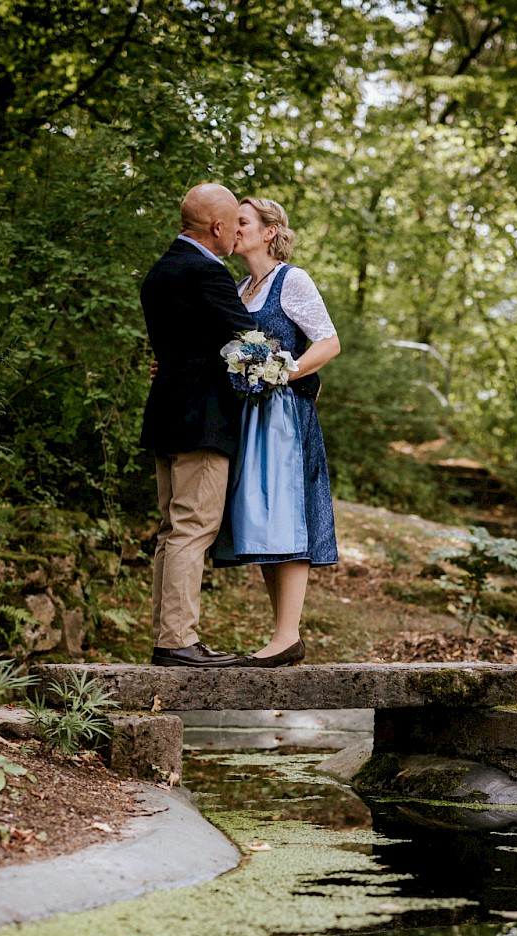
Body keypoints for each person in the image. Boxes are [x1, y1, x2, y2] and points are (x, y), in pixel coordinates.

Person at [211, 197, 341, 666]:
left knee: (285, 517)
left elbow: (329, 342)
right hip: (247, 415)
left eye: (243, 222)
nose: (234, 228)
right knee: (263, 524)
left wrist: (285, 373)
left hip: (284, 417)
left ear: (269, 232)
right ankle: (286, 635)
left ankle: (286, 635)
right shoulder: (242, 287)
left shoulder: (292, 280)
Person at [139, 183, 257, 669]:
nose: (233, 232)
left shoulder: (160, 271)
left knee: (173, 529)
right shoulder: (208, 272)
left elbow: (182, 346)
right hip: (202, 422)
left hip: (166, 416)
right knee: (192, 529)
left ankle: (168, 636)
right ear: (217, 227)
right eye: (232, 223)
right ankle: (178, 640)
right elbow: (249, 337)